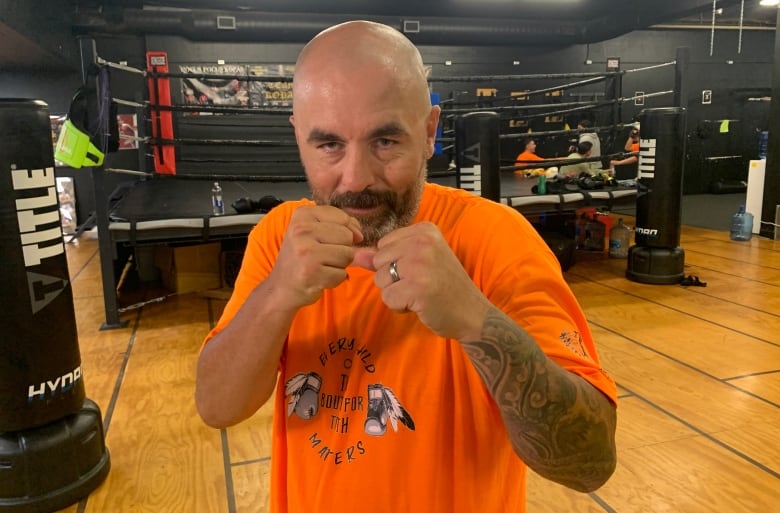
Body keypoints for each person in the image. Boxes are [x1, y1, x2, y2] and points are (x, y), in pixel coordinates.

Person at [195, 20, 617, 513]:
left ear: (429, 130)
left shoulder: (494, 239)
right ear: (298, 136)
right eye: (328, 144)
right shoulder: (280, 237)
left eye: (385, 141)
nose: (356, 178)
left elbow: (589, 463)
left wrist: (476, 322)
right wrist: (279, 294)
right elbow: (217, 407)